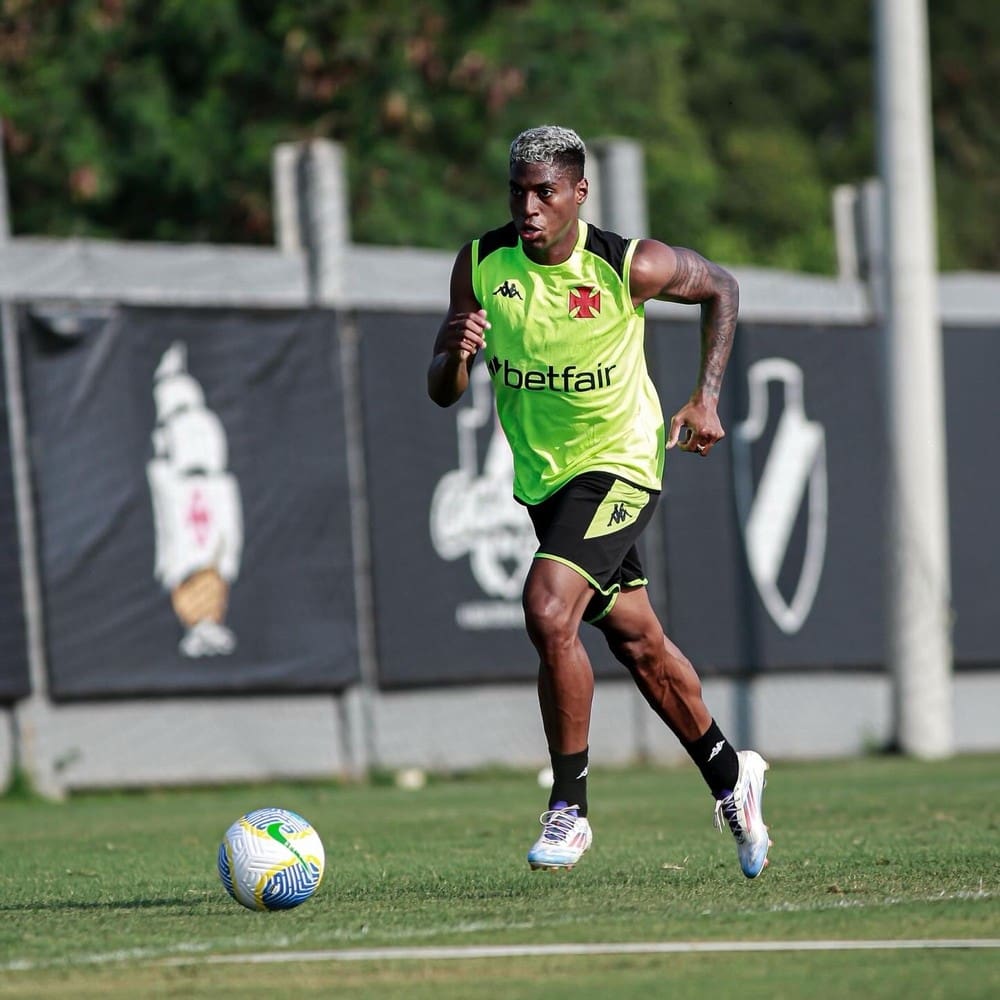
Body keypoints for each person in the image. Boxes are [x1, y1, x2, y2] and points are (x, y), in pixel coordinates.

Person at [427, 125, 770, 878]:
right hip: (546, 483)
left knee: (549, 608)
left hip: (621, 466)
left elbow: (722, 287)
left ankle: (569, 808)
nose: (529, 206)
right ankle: (730, 774)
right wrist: (455, 351)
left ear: (579, 193)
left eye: (545, 191)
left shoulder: (626, 264)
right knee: (639, 644)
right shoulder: (482, 264)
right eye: (518, 190)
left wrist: (706, 397)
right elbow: (443, 393)